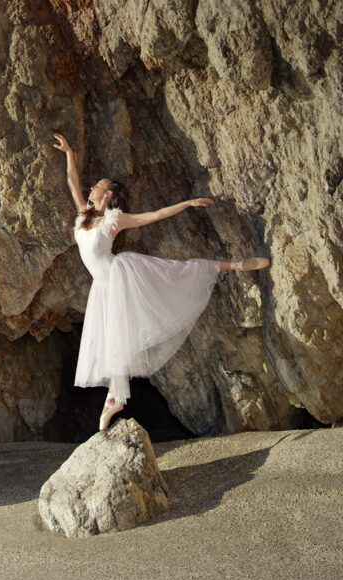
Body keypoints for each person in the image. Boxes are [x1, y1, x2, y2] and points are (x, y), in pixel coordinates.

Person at [52, 133, 270, 431]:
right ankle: (114, 398)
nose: (92, 188)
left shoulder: (115, 220)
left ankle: (234, 265)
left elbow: (153, 216)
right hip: (102, 287)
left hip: (120, 277)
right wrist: (69, 153)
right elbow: (72, 183)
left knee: (175, 273)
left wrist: (187, 203)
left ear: (109, 195)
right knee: (112, 341)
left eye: (98, 186)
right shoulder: (84, 216)